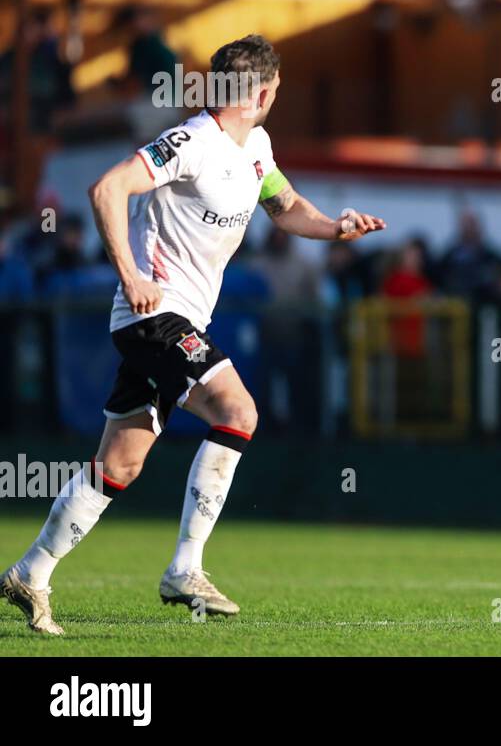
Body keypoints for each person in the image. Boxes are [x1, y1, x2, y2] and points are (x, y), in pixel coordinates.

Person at [1, 34, 386, 636]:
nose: (275, 99)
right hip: (154, 317)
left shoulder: (255, 146)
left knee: (119, 467)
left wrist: (336, 228)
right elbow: (107, 189)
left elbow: (284, 208)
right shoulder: (191, 141)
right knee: (238, 410)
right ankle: (186, 567)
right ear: (260, 91)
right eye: (276, 90)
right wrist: (131, 275)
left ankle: (31, 572)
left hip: (175, 322)